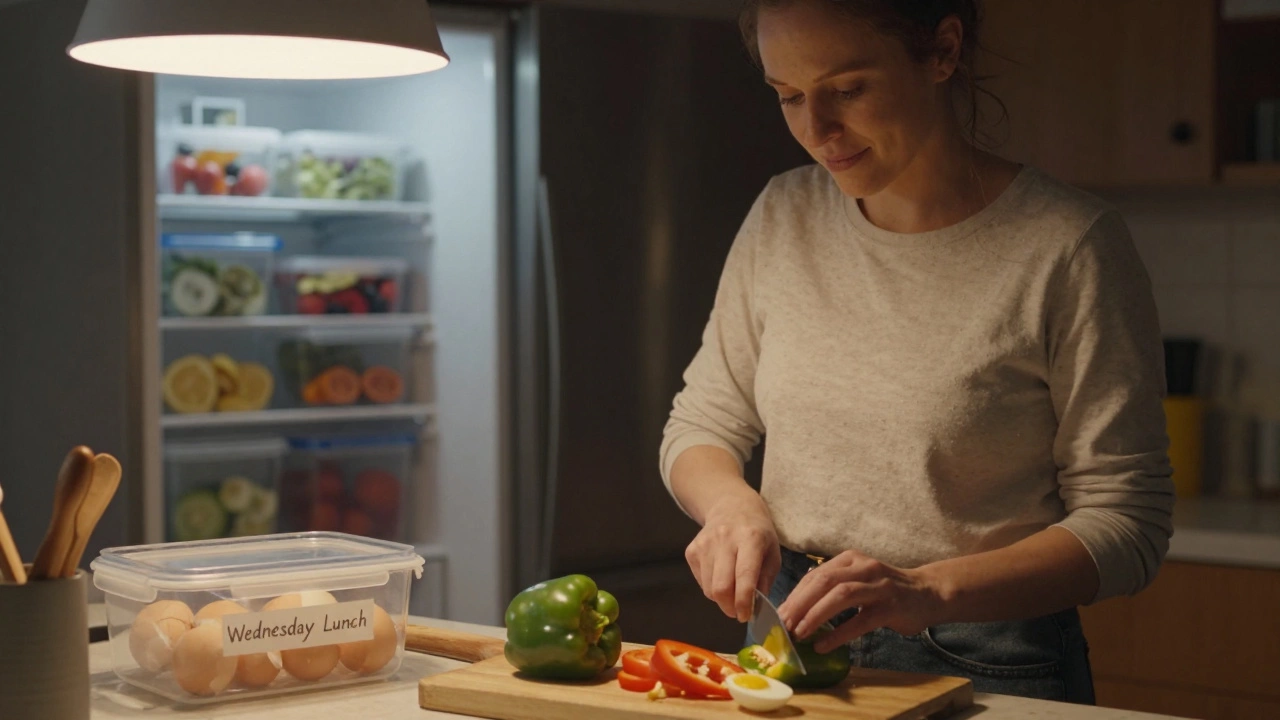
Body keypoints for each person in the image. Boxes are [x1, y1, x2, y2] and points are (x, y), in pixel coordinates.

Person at [659, 0, 1173, 704]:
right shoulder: (784, 214)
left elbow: (1127, 522)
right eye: (788, 96)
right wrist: (731, 507)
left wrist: (926, 590)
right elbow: (702, 424)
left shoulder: (1069, 245)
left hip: (986, 656)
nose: (816, 129)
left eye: (847, 90)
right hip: (789, 635)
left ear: (942, 52)